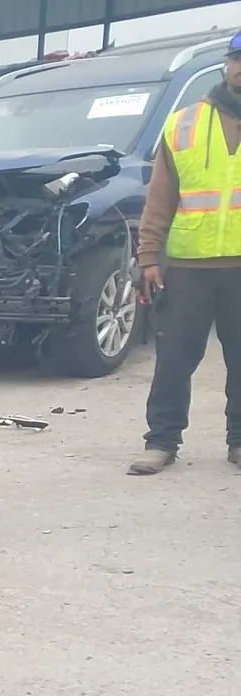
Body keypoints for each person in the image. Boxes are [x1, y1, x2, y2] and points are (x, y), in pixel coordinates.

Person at [128, 34, 241, 476]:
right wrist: (148, 256)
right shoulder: (184, 124)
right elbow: (160, 197)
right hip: (189, 266)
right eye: (237, 59)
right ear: (227, 64)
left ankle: (239, 441)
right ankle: (161, 441)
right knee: (174, 359)